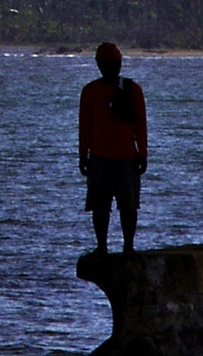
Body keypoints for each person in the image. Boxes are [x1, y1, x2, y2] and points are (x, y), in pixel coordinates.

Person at [79, 39, 148, 254]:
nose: (111, 68)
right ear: (101, 66)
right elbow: (85, 126)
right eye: (109, 64)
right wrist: (83, 156)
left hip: (123, 158)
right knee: (103, 207)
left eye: (114, 63)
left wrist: (142, 154)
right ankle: (104, 247)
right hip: (102, 158)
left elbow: (140, 125)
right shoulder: (91, 92)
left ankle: (127, 246)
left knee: (126, 207)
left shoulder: (131, 90)